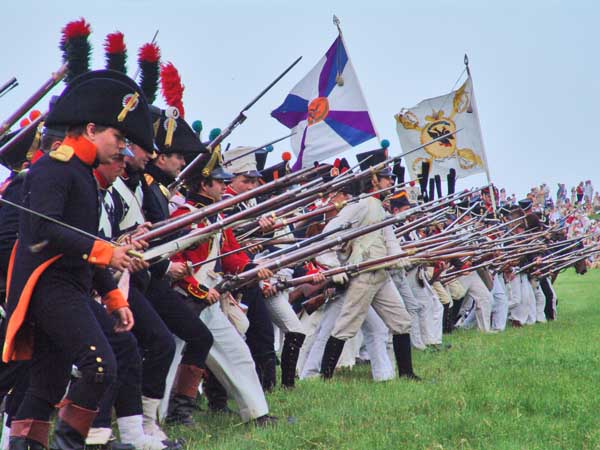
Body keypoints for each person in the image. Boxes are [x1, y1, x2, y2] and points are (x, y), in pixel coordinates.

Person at [4, 70, 153, 450]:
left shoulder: (82, 174)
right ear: (90, 129)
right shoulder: (54, 167)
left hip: (69, 286)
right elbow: (45, 228)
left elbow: (83, 243)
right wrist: (108, 252)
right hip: (48, 286)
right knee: (99, 366)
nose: (122, 148)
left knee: (48, 384)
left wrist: (114, 297)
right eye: (118, 138)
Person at [317, 148, 418, 381]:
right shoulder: (359, 206)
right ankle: (325, 377)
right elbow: (326, 238)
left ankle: (406, 374)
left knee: (401, 321)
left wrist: (399, 258)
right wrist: (334, 267)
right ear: (374, 180)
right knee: (345, 327)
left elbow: (389, 240)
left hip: (381, 274)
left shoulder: (379, 208)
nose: (391, 182)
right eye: (386, 178)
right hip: (363, 276)